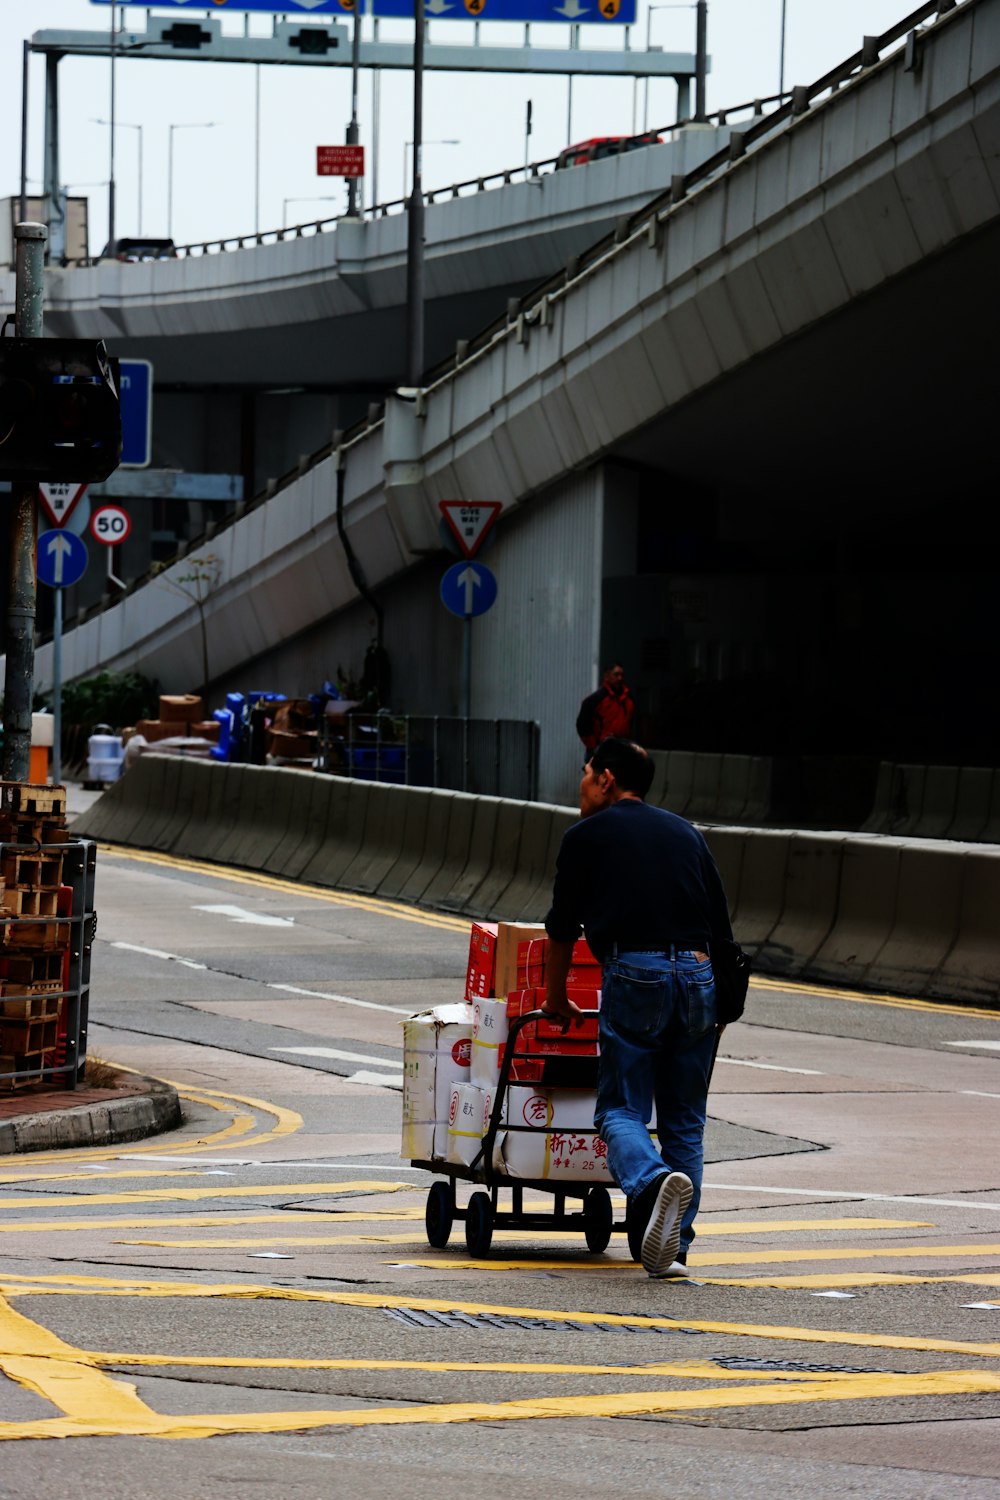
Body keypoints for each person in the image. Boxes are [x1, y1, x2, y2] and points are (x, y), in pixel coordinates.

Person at [541, 736, 733, 1279]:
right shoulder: (686, 834)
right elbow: (721, 928)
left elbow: (561, 927)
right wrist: (716, 1004)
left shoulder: (585, 836)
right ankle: (672, 1252)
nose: (580, 784)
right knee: (685, 1121)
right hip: (699, 976)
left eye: (585, 772)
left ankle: (649, 1183)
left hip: (636, 973)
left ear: (605, 778)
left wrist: (557, 999)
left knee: (620, 1110)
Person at [575, 662, 635, 751]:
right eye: (616, 675)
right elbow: (582, 724)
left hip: (622, 749)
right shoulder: (595, 699)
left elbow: (631, 724)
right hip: (601, 749)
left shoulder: (629, 699)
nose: (620, 678)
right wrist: (593, 746)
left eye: (622, 675)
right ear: (606, 676)